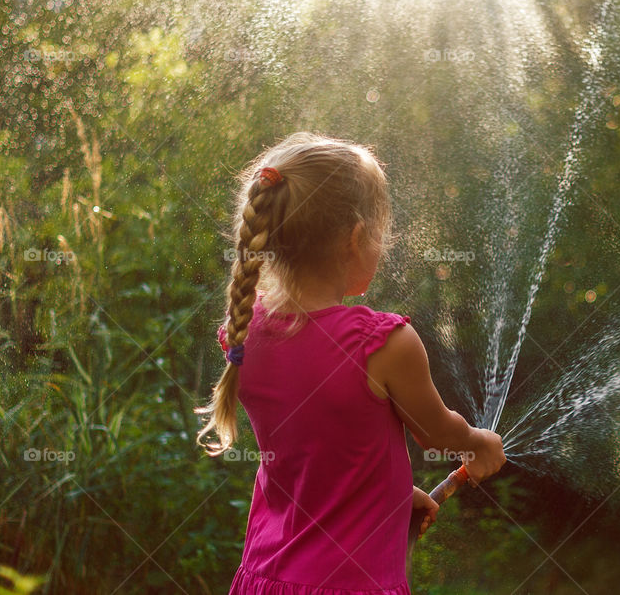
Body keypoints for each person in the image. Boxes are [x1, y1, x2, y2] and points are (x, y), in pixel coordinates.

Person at [195, 132, 506, 594]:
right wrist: (480, 443)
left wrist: (389, 502)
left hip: (265, 576)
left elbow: (319, 457)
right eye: (381, 232)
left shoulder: (244, 333)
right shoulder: (382, 343)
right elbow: (440, 434)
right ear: (356, 239)